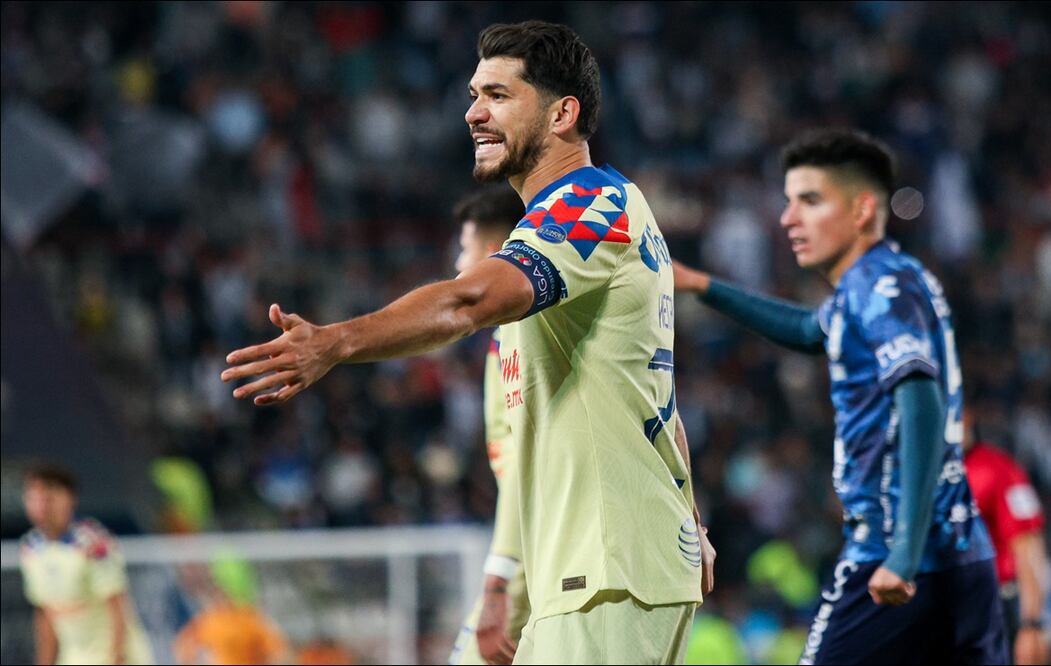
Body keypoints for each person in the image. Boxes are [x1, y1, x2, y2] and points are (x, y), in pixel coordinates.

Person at [223, 20, 714, 664]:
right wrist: (691, 520)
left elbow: (468, 301)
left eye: (498, 95)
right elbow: (660, 403)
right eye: (474, 94)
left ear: (564, 112)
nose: (473, 113)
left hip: (607, 566)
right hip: (598, 569)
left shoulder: (592, 203)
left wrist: (336, 342)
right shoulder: (601, 211)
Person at [672, 128, 1006, 664]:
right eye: (788, 202)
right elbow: (809, 331)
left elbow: (920, 401)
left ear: (862, 209)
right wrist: (703, 285)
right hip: (961, 552)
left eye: (809, 200)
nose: (788, 219)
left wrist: (902, 551)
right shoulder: (881, 285)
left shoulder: (879, 288)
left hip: (895, 554)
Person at [445, 186, 532, 666]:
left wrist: (499, 577)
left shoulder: (522, 335)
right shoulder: (505, 337)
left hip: (535, 557)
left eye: (466, 248)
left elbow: (526, 467)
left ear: (496, 254)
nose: (459, 263)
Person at [19, 464, 154, 665]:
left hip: (111, 655)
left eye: (49, 497)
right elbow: (45, 614)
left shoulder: (92, 542)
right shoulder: (30, 548)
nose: (42, 506)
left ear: (69, 498)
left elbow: (118, 607)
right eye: (34, 498)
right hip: (74, 657)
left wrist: (118, 657)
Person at [963, 412, 1051, 665]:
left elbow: (1028, 544)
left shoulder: (999, 469)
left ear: (968, 417)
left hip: (996, 607)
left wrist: (1032, 622)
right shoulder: (924, 472)